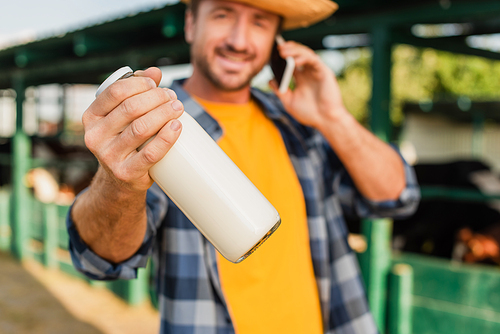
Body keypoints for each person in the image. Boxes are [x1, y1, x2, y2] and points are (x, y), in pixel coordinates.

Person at [67, 0, 420, 333]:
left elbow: (396, 196)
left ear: (275, 40)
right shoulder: (155, 125)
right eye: (222, 14)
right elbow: (101, 260)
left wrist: (333, 117)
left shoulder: (297, 122)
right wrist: (119, 183)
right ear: (191, 24)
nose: (239, 40)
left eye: (259, 22)